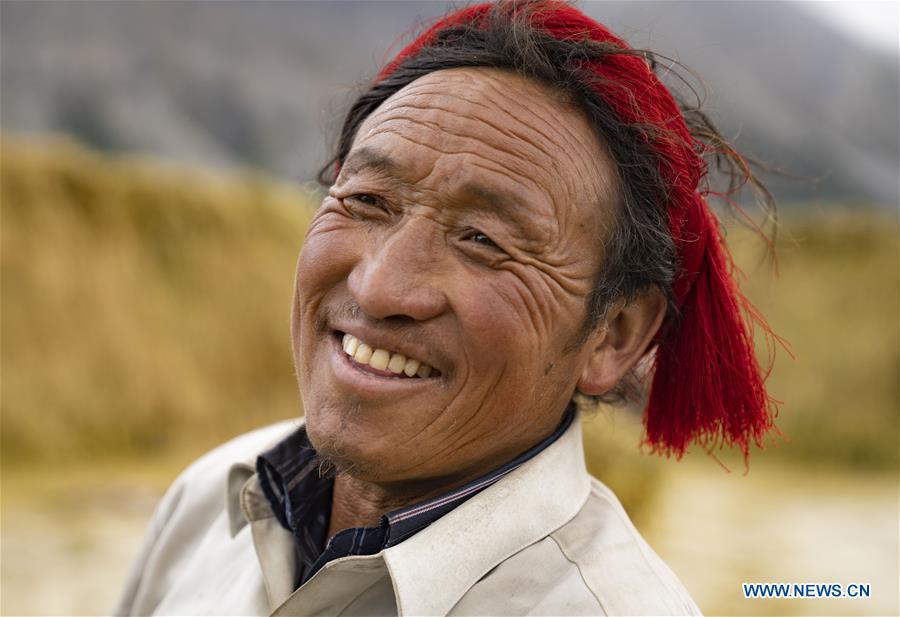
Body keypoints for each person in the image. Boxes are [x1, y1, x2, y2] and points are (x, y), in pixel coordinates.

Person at [114, 1, 780, 615]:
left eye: (483, 240)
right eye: (368, 199)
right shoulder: (213, 496)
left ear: (614, 335)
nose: (378, 287)